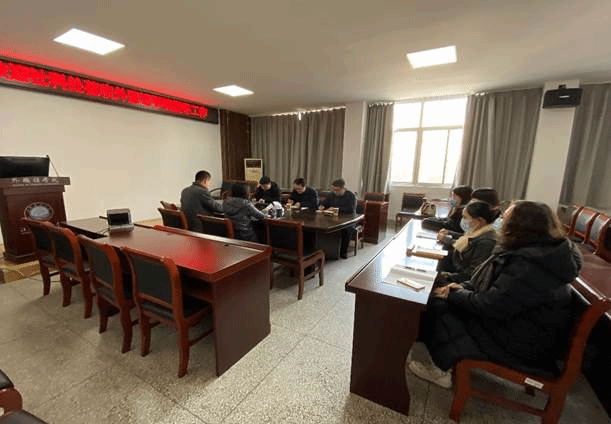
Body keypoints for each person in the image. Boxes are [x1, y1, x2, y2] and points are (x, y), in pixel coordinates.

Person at [408, 200, 582, 389]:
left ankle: (441, 369)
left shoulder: (530, 265)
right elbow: (491, 285)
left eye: (505, 218)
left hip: (520, 341)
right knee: (442, 298)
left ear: (519, 226)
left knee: (441, 306)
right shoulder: (535, 252)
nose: (500, 222)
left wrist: (453, 294)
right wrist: (460, 287)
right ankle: (424, 346)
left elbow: (489, 305)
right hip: (517, 323)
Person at [320, 178, 357, 259]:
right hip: (332, 219)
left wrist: (336, 209)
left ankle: (343, 252)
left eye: (337, 190)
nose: (335, 192)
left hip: (348, 220)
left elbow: (350, 209)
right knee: (322, 227)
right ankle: (326, 250)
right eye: (333, 189)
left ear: (343, 188)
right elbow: (325, 203)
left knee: (346, 230)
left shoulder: (351, 196)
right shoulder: (332, 195)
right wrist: (322, 206)